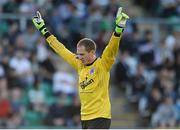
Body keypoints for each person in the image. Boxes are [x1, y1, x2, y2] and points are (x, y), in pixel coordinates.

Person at [32, 7, 129, 129]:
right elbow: (61, 49)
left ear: (92, 52)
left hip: (100, 116)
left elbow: (111, 49)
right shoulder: (79, 64)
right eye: (78, 53)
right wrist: (43, 29)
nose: (79, 56)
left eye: (82, 54)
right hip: (85, 117)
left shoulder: (103, 64)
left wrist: (118, 30)